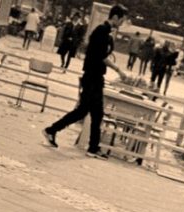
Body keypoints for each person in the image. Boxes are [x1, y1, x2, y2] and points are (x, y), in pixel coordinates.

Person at [42, 4, 128, 159]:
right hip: (92, 77)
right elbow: (102, 56)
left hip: (95, 77)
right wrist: (118, 70)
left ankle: (88, 146)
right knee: (90, 112)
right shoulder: (101, 32)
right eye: (122, 20)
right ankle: (56, 132)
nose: (122, 24)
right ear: (115, 17)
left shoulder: (106, 34)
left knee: (92, 112)